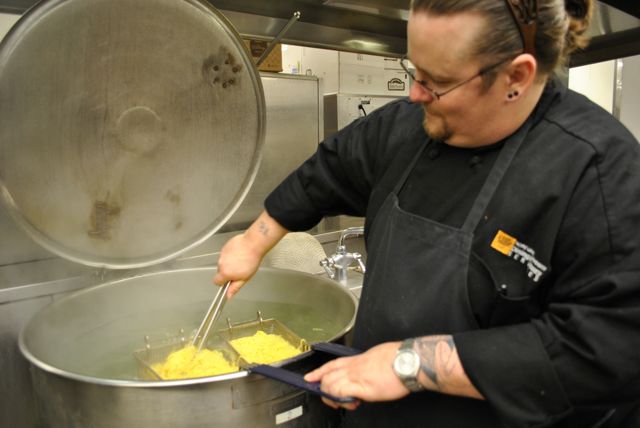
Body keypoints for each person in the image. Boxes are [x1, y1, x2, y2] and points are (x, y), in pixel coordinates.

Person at [214, 0, 640, 426]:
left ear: (516, 76)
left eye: (436, 81)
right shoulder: (405, 126)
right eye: (414, 69)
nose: (414, 93)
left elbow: (606, 350)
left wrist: (410, 363)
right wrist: (254, 241)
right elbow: (330, 168)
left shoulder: (598, 171)